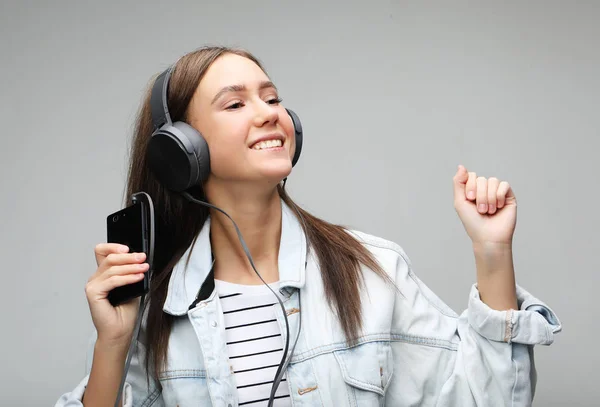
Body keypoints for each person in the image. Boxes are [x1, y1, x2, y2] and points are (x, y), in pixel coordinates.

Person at [55, 46, 561, 407]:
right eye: (236, 104)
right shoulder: (157, 305)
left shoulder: (371, 270)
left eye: (272, 99)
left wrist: (492, 253)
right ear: (180, 150)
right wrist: (114, 343)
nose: (269, 114)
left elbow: (487, 398)